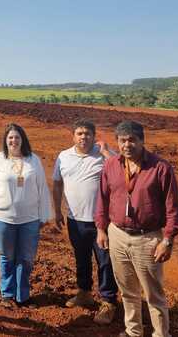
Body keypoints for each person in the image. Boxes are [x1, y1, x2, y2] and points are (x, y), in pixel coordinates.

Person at [95, 120, 178, 337]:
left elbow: (173, 208)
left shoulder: (160, 168)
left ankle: (161, 333)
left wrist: (168, 239)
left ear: (142, 141)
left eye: (132, 140)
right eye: (122, 140)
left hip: (148, 238)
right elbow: (102, 199)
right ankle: (134, 331)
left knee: (154, 294)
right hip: (117, 235)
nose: (127, 145)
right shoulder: (111, 165)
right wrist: (101, 229)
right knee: (127, 291)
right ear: (117, 142)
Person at [0, 123, 52, 308]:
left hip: (29, 219)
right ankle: (7, 294)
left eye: (17, 137)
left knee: (26, 258)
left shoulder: (33, 160)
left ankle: (23, 296)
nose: (13, 140)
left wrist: (44, 215)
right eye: (10, 137)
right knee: (7, 256)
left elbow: (42, 188)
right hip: (2, 219)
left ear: (23, 139)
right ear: (5, 140)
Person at [52, 120, 118, 324]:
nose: (83, 137)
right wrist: (57, 211)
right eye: (79, 133)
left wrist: (107, 153)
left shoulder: (104, 154)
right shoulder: (64, 156)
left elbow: (124, 168)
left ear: (94, 135)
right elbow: (57, 183)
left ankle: (108, 301)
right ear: (73, 136)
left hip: (102, 222)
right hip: (74, 220)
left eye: (88, 133)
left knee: (105, 261)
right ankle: (84, 292)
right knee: (81, 258)